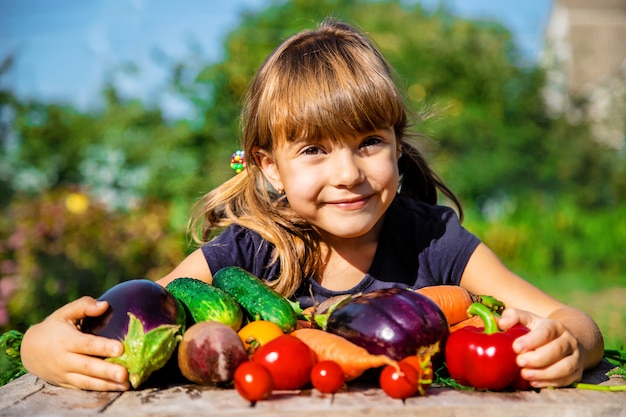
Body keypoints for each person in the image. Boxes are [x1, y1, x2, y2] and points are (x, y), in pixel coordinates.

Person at [20, 18, 604, 392]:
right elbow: (142, 315)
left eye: (369, 142)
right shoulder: (246, 251)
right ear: (268, 166)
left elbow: (573, 320)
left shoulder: (435, 241)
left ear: (398, 146)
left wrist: (569, 345)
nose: (348, 174)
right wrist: (39, 346)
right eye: (314, 150)